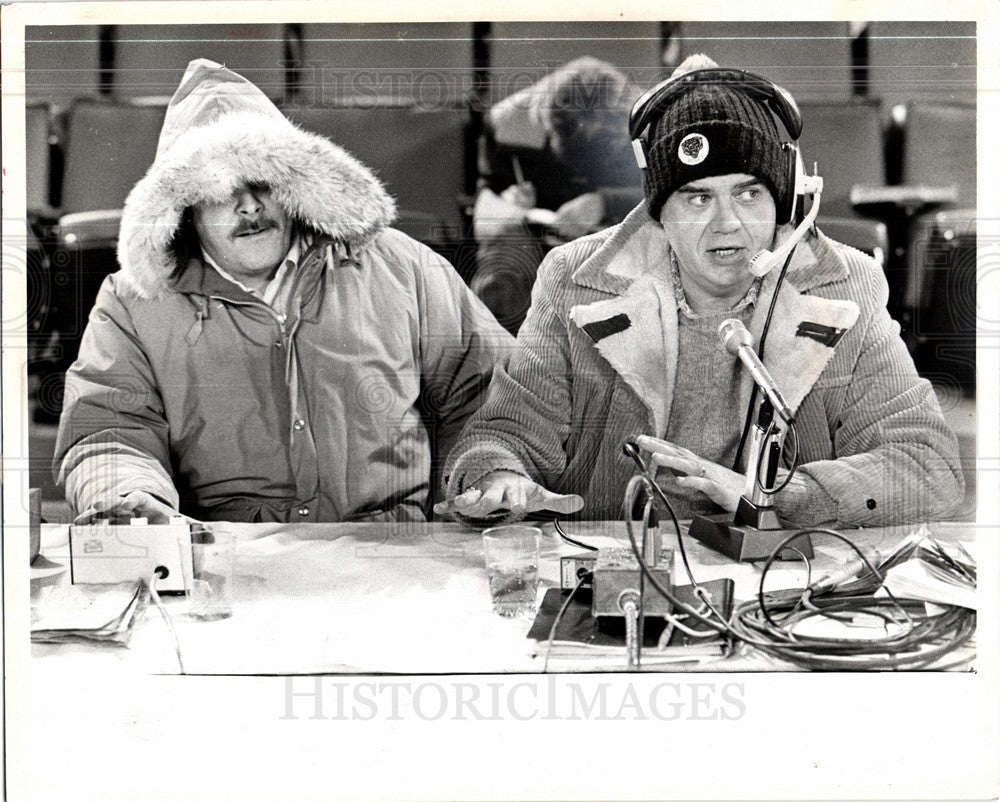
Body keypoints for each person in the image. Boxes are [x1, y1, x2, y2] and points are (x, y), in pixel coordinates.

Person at [438, 55, 964, 528]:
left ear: (785, 203)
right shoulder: (573, 280)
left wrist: (778, 496)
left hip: (777, 589)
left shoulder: (844, 285)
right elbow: (504, 433)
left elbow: (926, 466)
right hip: (612, 573)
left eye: (749, 193)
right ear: (657, 213)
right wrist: (496, 477)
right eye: (696, 198)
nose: (727, 224)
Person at [54, 58, 514, 524]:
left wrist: (487, 473)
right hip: (224, 564)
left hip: (394, 557)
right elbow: (110, 430)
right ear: (184, 207)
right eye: (222, 189)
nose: (250, 205)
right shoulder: (132, 305)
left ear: (295, 183)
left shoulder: (403, 266)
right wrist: (132, 495)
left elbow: (489, 392)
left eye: (263, 180)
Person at [470, 57, 644, 333]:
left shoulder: (646, 125)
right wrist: (508, 200)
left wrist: (605, 202)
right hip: (534, 238)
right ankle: (501, 359)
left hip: (617, 235)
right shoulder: (507, 124)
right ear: (543, 120)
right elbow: (485, 198)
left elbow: (673, 193)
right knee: (503, 264)